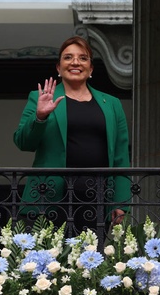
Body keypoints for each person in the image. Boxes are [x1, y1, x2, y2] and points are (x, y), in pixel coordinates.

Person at [13, 36, 130, 234]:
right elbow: (23, 142)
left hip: (98, 196)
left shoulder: (111, 103)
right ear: (58, 68)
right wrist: (40, 116)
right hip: (51, 195)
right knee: (51, 263)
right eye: (68, 57)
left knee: (93, 259)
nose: (75, 62)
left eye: (83, 58)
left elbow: (121, 156)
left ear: (91, 69)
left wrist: (121, 202)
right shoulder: (40, 97)